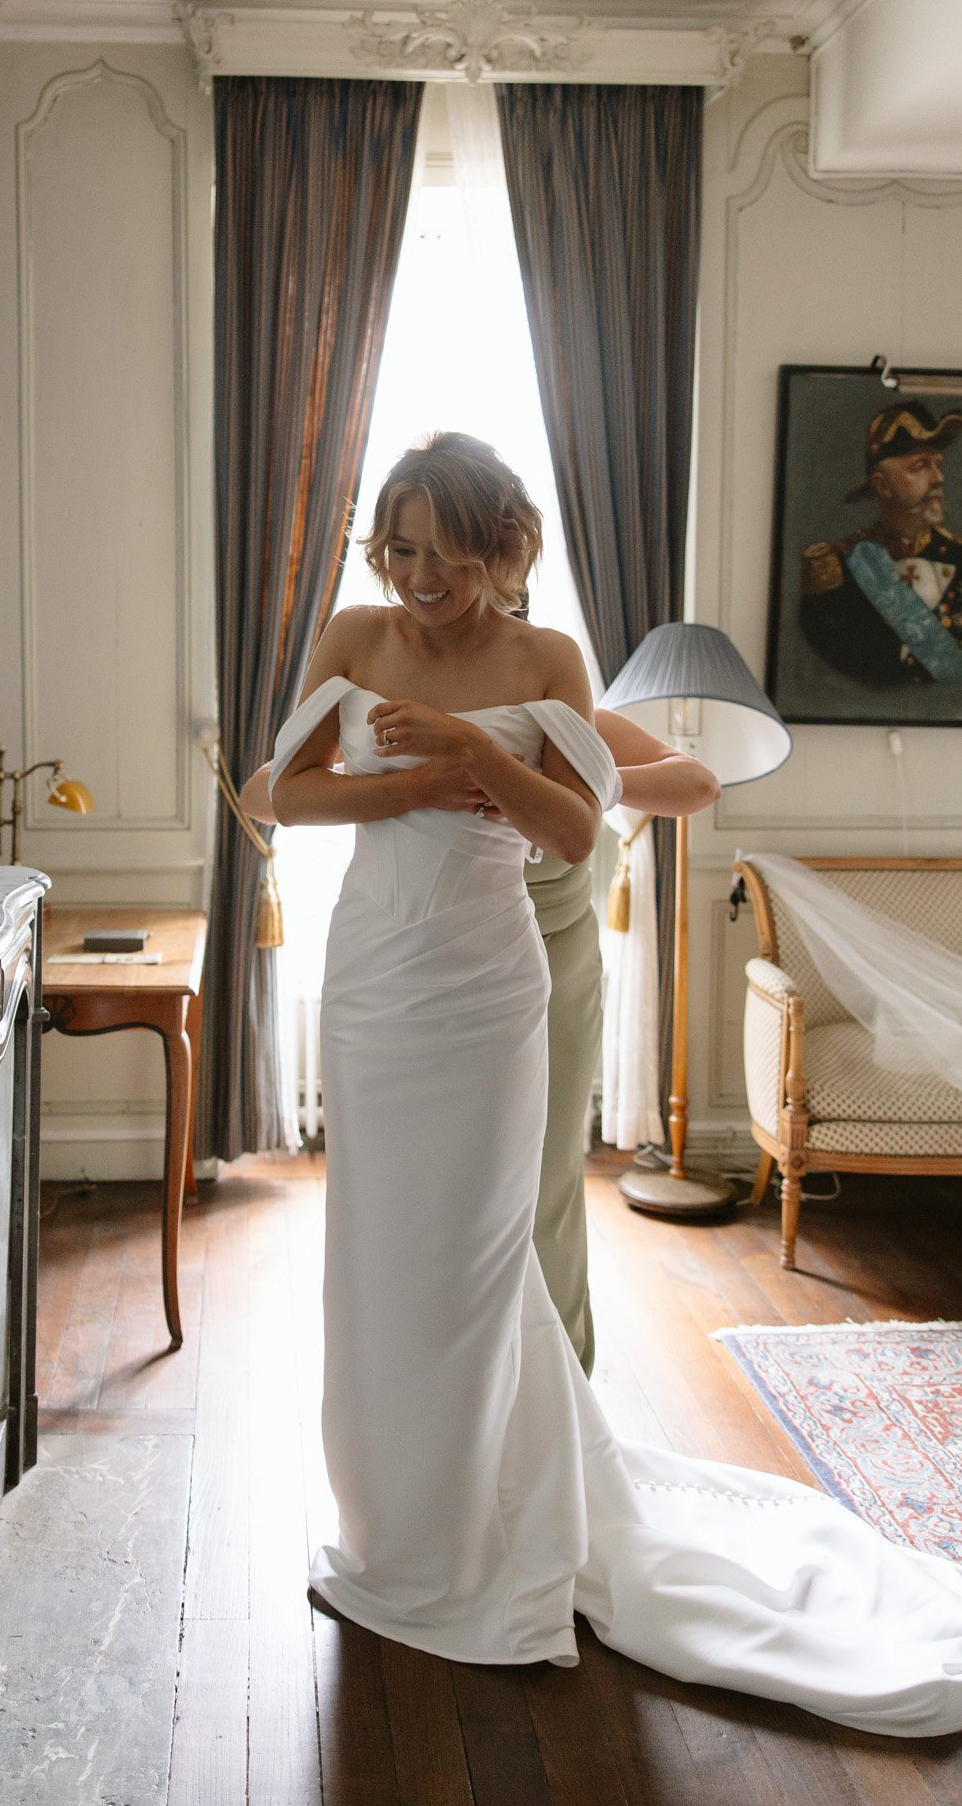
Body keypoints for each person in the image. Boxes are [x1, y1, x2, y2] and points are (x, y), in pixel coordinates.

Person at [262, 431, 962, 1733]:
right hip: (368, 985)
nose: (420, 573)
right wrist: (419, 773)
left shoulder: (545, 662)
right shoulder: (352, 635)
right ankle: (395, 1526)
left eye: (447, 550)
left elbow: (586, 826)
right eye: (400, 547)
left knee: (481, 1253)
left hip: (485, 986)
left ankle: (492, 1522)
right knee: (374, 1258)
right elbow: (280, 795)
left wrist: (481, 762)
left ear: (500, 547)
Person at [239, 617, 719, 1377]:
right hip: (415, 956)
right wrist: (395, 786)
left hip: (543, 958)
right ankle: (436, 1375)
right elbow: (269, 790)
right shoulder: (384, 694)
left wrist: (562, 779)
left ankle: (558, 1374)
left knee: (546, 1172)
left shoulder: (557, 713)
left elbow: (697, 783)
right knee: (424, 1184)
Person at [800, 401, 962, 685]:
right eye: (920, 466)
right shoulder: (841, 570)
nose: (939, 478)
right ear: (883, 484)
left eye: (937, 465)